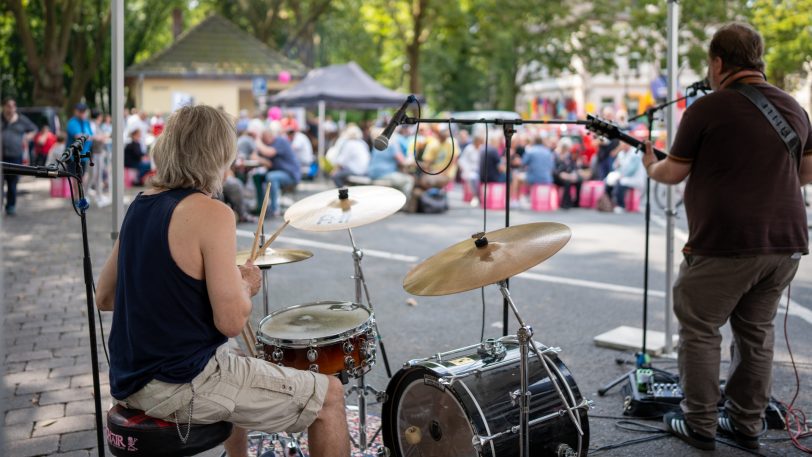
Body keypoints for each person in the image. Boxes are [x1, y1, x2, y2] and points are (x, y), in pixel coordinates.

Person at [95, 105, 350, 457]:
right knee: (330, 396)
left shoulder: (139, 206)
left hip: (128, 380)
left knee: (236, 360)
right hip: (178, 384)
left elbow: (105, 297)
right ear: (218, 154)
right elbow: (230, 321)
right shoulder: (212, 212)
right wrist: (246, 285)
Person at [643, 22, 812, 451]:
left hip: (727, 241)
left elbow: (672, 171)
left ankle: (699, 422)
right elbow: (806, 174)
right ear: (759, 59)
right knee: (756, 333)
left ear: (718, 63)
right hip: (786, 244)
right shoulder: (794, 107)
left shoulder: (708, 108)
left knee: (699, 326)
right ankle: (746, 423)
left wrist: (649, 164)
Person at [1, 96, 37, 215]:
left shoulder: (21, 120)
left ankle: (10, 206)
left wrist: (28, 137)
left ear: (15, 107)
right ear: (4, 107)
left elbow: (34, 129)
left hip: (15, 156)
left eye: (12, 106)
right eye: (8, 106)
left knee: (12, 183)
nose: (10, 109)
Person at [256, 122, 301, 217]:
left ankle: (274, 209)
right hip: (278, 173)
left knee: (271, 177)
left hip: (290, 175)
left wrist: (257, 140)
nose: (264, 140)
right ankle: (261, 208)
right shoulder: (266, 144)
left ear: (270, 135)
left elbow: (268, 153)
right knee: (257, 177)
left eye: (265, 137)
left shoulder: (280, 141)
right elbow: (267, 162)